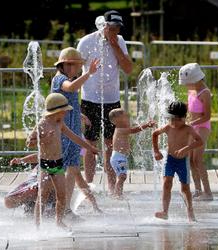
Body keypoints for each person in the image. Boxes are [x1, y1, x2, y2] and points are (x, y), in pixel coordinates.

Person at [77, 10, 133, 194]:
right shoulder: (86, 41)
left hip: (111, 99)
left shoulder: (120, 40)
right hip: (89, 98)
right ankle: (89, 185)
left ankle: (111, 185)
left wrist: (115, 46)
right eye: (112, 27)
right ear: (104, 25)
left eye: (118, 28)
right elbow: (75, 68)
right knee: (90, 143)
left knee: (111, 144)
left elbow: (128, 69)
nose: (115, 30)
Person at [27, 93, 99, 228]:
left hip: (58, 164)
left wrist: (89, 148)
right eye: (64, 111)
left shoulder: (59, 123)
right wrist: (44, 139)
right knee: (42, 196)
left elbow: (74, 137)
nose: (66, 114)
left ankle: (59, 221)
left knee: (62, 196)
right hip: (46, 165)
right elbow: (29, 143)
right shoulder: (42, 124)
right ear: (56, 111)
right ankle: (37, 225)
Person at [51, 47, 102, 218]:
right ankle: (64, 209)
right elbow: (71, 88)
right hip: (65, 133)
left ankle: (94, 206)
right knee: (72, 169)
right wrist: (89, 73)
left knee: (76, 173)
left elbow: (65, 102)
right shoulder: (60, 79)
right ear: (65, 65)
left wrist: (79, 114)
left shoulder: (66, 79)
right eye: (76, 66)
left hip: (72, 129)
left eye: (80, 66)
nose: (79, 69)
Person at [152, 101, 203, 222]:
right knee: (166, 184)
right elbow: (154, 134)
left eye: (177, 119)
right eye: (171, 119)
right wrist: (156, 151)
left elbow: (199, 141)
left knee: (185, 188)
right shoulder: (168, 127)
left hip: (182, 161)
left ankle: (190, 212)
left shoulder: (188, 129)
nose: (174, 122)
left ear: (185, 117)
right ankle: (165, 211)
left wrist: (186, 148)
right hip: (169, 160)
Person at [179, 63, 213, 201]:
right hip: (192, 127)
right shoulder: (192, 91)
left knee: (198, 159)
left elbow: (207, 116)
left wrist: (191, 123)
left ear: (196, 79)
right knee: (191, 161)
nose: (186, 86)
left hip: (202, 127)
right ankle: (198, 191)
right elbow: (189, 108)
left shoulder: (205, 93)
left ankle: (208, 192)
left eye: (188, 83)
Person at [109, 108, 155, 198]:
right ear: (118, 121)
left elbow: (134, 127)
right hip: (118, 158)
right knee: (122, 176)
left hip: (120, 157)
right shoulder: (120, 129)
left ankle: (118, 193)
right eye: (126, 117)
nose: (128, 119)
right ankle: (117, 194)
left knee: (122, 177)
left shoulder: (122, 128)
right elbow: (134, 130)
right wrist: (147, 125)